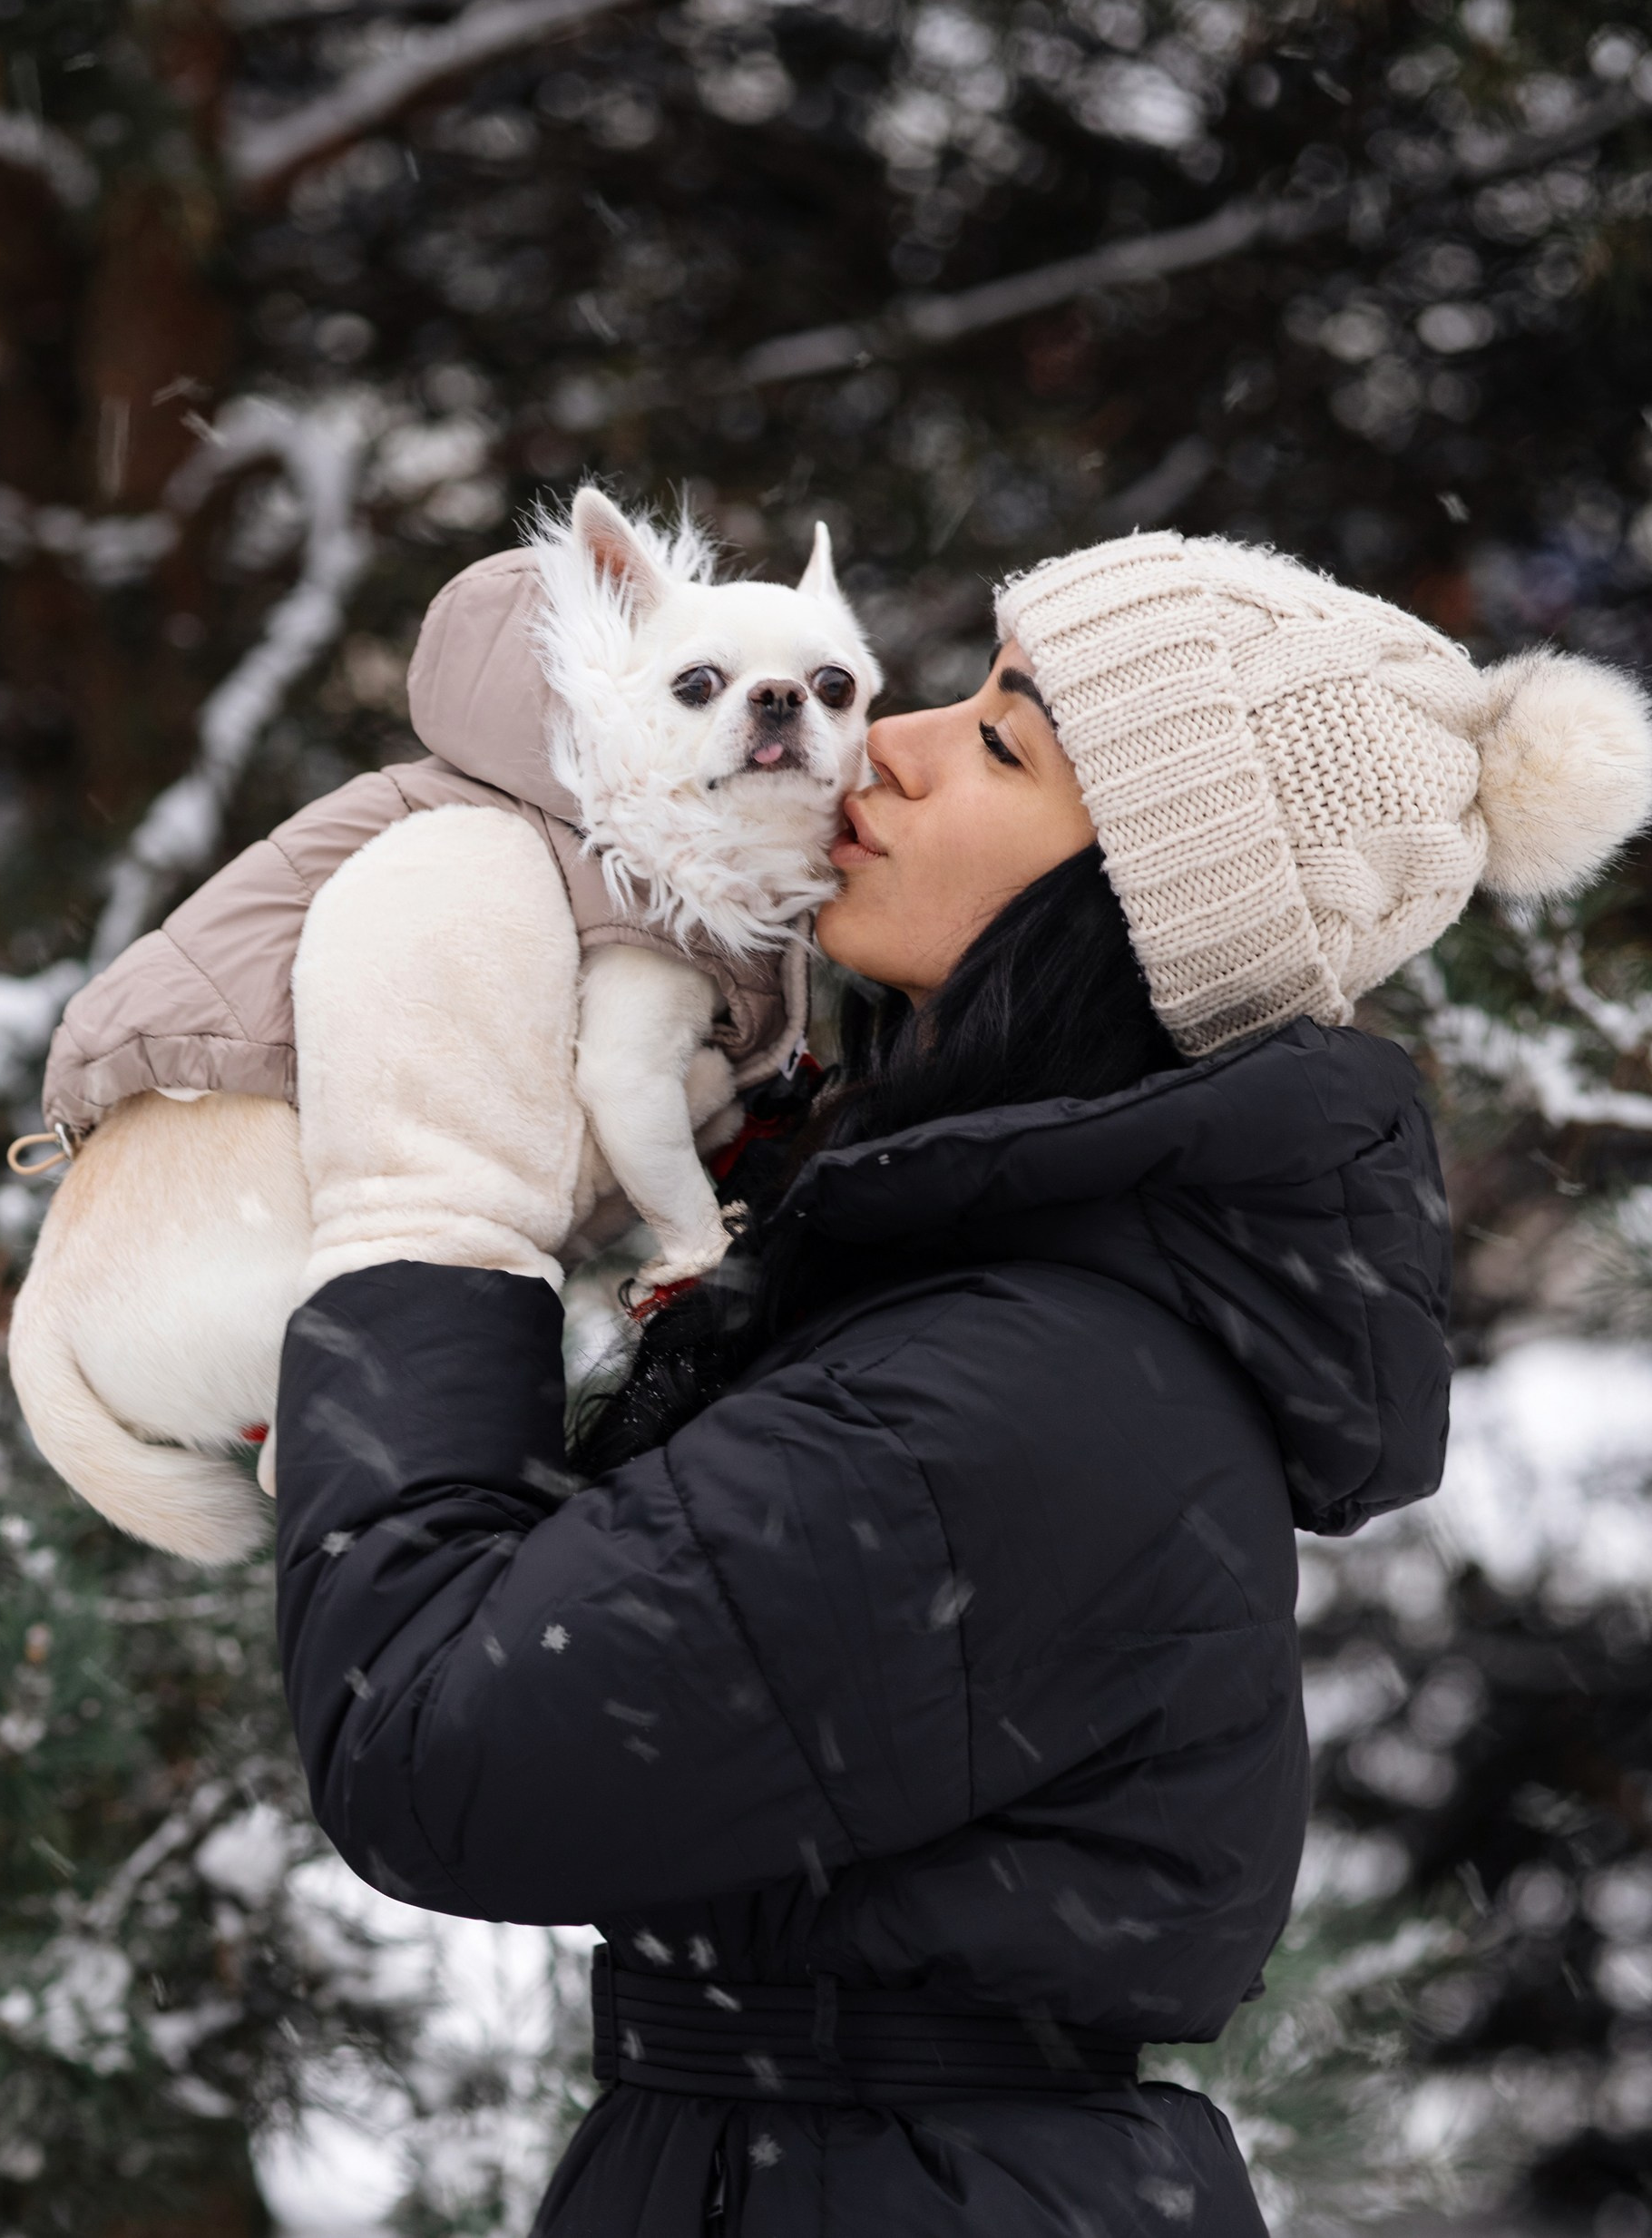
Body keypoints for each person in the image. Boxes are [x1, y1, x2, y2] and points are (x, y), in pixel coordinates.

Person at [272, 530, 1652, 2235]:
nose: (893, 742)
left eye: (1003, 740)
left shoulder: (1017, 1389)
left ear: (1136, 904)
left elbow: (434, 1754)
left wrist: (423, 1226)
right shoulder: (997, 1303)